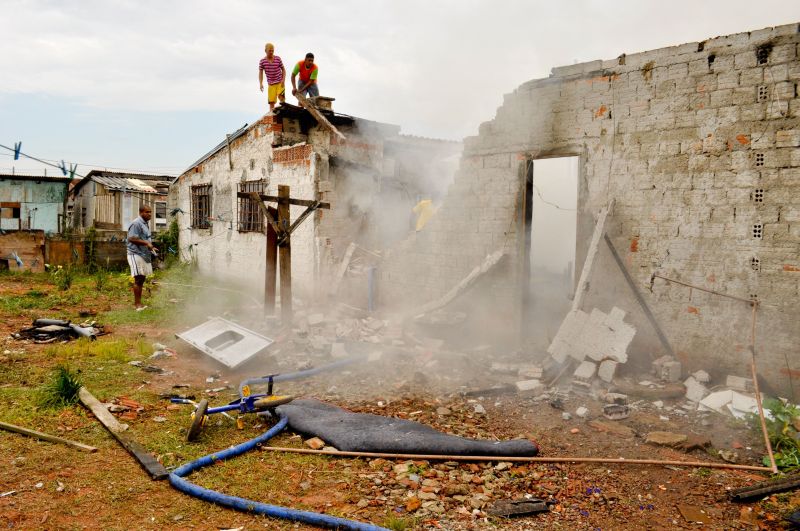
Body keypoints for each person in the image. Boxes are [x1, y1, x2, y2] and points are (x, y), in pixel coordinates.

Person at [126, 205, 158, 310]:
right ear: (141, 212)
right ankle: (137, 304)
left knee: (142, 278)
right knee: (138, 279)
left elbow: (144, 238)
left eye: (150, 212)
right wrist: (146, 243)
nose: (150, 214)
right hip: (135, 254)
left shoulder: (145, 224)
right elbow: (131, 238)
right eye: (147, 212)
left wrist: (151, 247)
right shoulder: (136, 223)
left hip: (143, 254)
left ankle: (139, 303)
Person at [258, 42, 286, 112]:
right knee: (271, 102)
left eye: (272, 50)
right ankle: (271, 116)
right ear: (265, 51)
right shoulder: (262, 61)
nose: (271, 52)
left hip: (280, 82)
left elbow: (283, 70)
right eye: (269, 50)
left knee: (281, 97)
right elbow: (260, 73)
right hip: (271, 84)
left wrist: (283, 80)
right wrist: (261, 83)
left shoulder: (278, 59)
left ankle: (283, 112)